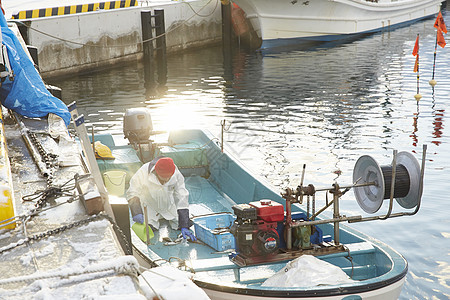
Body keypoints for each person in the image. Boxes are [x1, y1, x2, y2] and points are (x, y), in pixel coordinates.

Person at [127, 157, 196, 241]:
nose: (166, 180)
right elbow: (132, 191)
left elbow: (182, 196)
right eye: (163, 177)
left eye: (169, 177)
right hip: (150, 206)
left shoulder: (175, 172)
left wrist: (184, 225)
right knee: (148, 229)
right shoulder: (144, 171)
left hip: (169, 205)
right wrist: (136, 211)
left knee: (183, 223)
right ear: (156, 172)